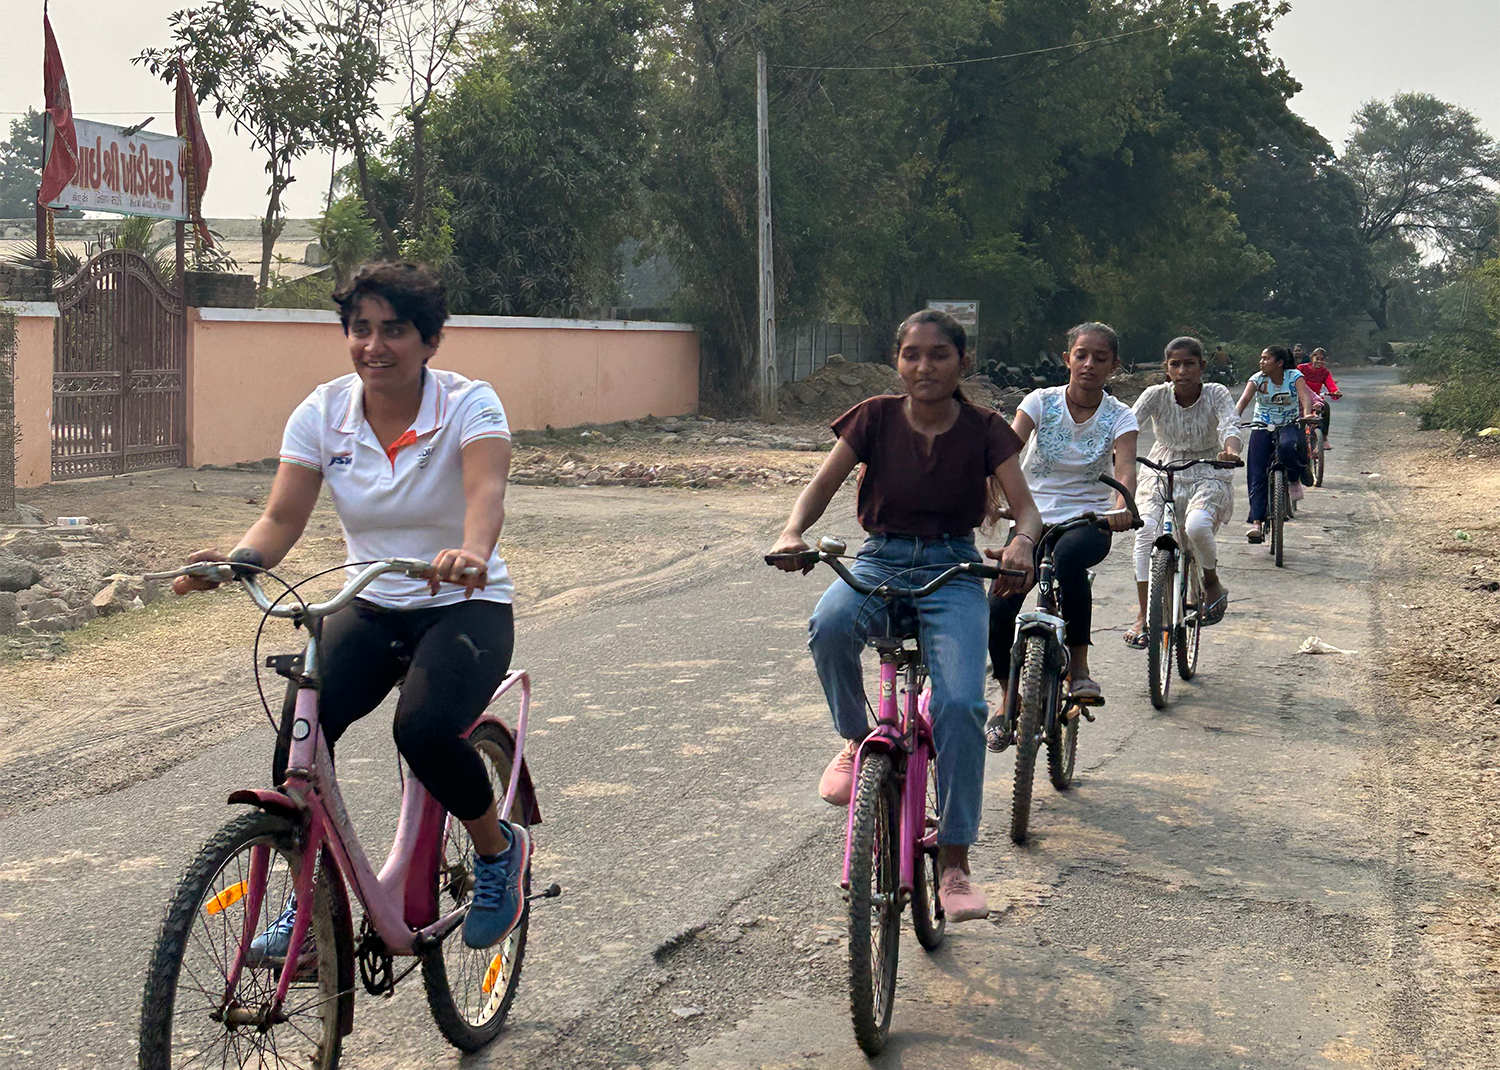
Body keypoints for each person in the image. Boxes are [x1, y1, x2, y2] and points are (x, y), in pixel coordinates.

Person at [172, 261, 528, 952]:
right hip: (367, 603)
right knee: (298, 748)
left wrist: (471, 552)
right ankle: (313, 908)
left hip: (463, 603)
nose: (374, 346)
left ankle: (496, 851)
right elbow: (280, 520)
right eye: (360, 329)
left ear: (430, 340)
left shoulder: (469, 404)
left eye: (394, 330)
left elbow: (486, 493)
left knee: (423, 732)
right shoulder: (322, 412)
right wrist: (235, 561)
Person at [768, 309, 1043, 922]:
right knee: (830, 624)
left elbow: (1026, 511)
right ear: (898, 361)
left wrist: (1023, 543)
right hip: (880, 560)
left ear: (962, 362)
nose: (925, 366)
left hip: (954, 569)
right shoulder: (872, 417)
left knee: (963, 707)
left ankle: (954, 863)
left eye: (939, 355)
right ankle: (852, 740)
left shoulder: (986, 428)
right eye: (912, 354)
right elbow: (819, 487)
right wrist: (792, 533)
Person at [989, 322, 1138, 715]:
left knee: (1067, 559)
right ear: (1066, 358)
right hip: (1030, 519)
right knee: (1001, 598)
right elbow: (1007, 450)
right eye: (1081, 355)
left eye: (1100, 358)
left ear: (1114, 366)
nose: (1089, 364)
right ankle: (1007, 692)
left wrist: (1121, 507)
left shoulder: (1121, 416)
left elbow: (1125, 469)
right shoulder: (1040, 401)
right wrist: (987, 495)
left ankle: (1080, 670)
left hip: (1088, 521)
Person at [1124, 337, 1242, 647]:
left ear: (1202, 366)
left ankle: (1212, 582)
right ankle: (1142, 614)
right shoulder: (1155, 395)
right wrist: (1112, 451)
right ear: (1166, 368)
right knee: (1146, 530)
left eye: (1189, 363)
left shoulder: (1216, 393)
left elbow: (1230, 426)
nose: (1182, 370)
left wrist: (1229, 451)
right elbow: (1127, 426)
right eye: (1174, 364)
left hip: (1206, 467)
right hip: (1161, 467)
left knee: (1197, 527)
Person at [1235, 345, 1316, 543]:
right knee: (1257, 472)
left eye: (1266, 358)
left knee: (1289, 446)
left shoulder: (1294, 376)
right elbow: (1244, 400)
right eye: (1261, 358)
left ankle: (1295, 477)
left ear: (1279, 363)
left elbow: (1304, 396)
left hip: (1289, 423)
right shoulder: (1257, 379)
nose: (1261, 362)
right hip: (1262, 425)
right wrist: (1232, 419)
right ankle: (1256, 522)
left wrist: (1306, 414)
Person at [1297, 347, 1342, 447]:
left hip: (1315, 399)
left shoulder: (1325, 372)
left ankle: (1324, 437)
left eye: (1322, 359)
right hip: (1300, 398)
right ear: (1311, 358)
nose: (1319, 361)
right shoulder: (1301, 368)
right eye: (1317, 358)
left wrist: (1335, 392)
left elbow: (1331, 385)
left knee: (1325, 407)